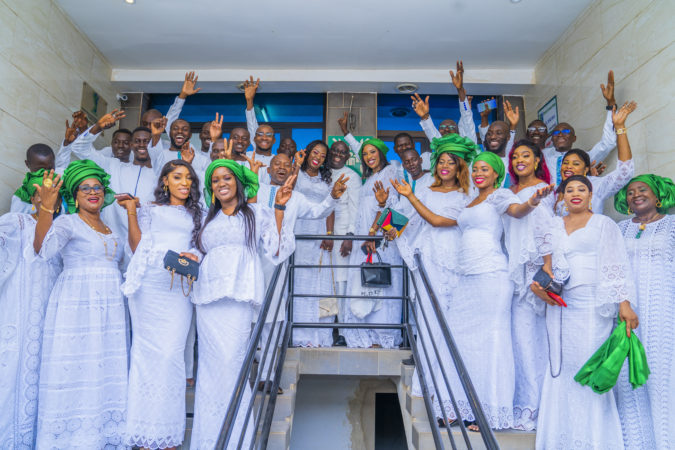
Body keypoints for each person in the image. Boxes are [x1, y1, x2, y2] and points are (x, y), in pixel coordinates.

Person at [189, 159, 295, 448]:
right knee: (209, 368)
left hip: (238, 296)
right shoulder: (207, 218)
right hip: (207, 299)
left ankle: (236, 440)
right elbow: (199, 251)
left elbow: (277, 249)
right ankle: (207, 441)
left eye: (226, 178)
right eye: (215, 180)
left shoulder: (255, 213)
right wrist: (188, 257)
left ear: (237, 182)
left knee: (231, 363)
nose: (221, 183)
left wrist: (279, 208)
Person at [530, 175, 639, 449]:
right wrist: (539, 287)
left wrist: (624, 303)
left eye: (582, 189)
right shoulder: (553, 225)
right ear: (562, 197)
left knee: (587, 365)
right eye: (569, 190)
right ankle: (560, 438)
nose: (575, 193)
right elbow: (543, 261)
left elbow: (616, 262)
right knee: (561, 367)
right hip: (560, 305)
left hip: (592, 306)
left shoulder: (603, 224)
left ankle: (592, 440)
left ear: (591, 195)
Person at [450, 152, 552, 431]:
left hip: (491, 275)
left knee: (491, 343)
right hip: (465, 277)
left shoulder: (500, 195)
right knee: (462, 341)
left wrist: (532, 202)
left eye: (485, 169)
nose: (478, 173)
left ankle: (488, 411)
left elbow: (517, 212)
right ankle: (460, 406)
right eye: (475, 169)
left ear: (497, 173)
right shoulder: (470, 199)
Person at [34, 160, 128, 448]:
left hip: (111, 311)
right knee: (77, 368)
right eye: (85, 188)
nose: (93, 192)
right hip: (77, 307)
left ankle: (102, 437)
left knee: (104, 369)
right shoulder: (68, 222)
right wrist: (47, 208)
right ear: (75, 196)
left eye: (97, 187)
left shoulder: (111, 229)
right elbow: (43, 249)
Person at [390, 133, 476, 425]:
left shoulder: (466, 196)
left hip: (453, 261)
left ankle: (451, 388)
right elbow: (410, 218)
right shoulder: (426, 190)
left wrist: (411, 196)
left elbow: (438, 221)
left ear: (460, 166)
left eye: (451, 162)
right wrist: (391, 230)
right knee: (428, 321)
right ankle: (428, 383)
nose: (444, 166)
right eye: (441, 162)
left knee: (450, 323)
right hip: (428, 259)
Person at [117, 159, 203, 449]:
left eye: (188, 178)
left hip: (178, 286)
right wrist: (132, 212)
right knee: (145, 354)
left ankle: (167, 433)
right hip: (149, 285)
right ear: (165, 180)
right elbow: (136, 246)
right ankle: (143, 433)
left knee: (170, 354)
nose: (184, 182)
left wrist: (194, 254)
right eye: (177, 177)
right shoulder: (150, 209)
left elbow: (201, 246)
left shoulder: (199, 213)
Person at [0, 170, 63, 448]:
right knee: (12, 376)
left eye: (54, 192)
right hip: (18, 315)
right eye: (42, 191)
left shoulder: (64, 230)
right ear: (32, 197)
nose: (48, 196)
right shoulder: (16, 221)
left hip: (50, 319)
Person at [613, 174, 675, 449]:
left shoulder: (672, 226)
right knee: (629, 375)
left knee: (662, 373)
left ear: (658, 196)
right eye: (630, 192)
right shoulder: (619, 229)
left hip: (664, 309)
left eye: (642, 189)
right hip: (626, 309)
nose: (635, 194)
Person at [503, 140, 553, 430]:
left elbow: (549, 231)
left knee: (533, 340)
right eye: (515, 156)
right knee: (517, 342)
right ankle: (520, 402)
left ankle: (534, 409)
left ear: (536, 161)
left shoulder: (546, 189)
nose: (520, 160)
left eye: (526, 155)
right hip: (511, 271)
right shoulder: (507, 192)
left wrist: (546, 270)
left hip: (535, 273)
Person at [343, 139, 403, 349]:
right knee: (366, 281)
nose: (369, 157)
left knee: (380, 282)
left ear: (381, 153)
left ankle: (381, 335)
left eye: (373, 152)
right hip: (366, 234)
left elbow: (387, 206)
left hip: (378, 236)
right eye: (365, 154)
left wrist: (373, 234)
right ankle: (365, 333)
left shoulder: (389, 171)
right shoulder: (370, 177)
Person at [292, 140, 350, 347]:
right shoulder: (296, 173)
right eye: (315, 152)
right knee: (299, 281)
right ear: (307, 153)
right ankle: (299, 334)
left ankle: (320, 335)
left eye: (323, 155)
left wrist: (329, 234)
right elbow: (286, 191)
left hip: (319, 234)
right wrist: (296, 166)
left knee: (321, 283)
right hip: (298, 231)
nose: (318, 157)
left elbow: (330, 208)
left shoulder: (327, 180)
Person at [71, 110, 160, 243]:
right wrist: (98, 127)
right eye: (137, 141)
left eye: (147, 141)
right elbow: (78, 148)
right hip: (111, 242)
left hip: (144, 245)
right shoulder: (113, 165)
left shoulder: (160, 175)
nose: (142, 145)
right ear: (131, 145)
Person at [547, 101, 636, 215]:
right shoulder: (556, 193)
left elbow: (625, 172)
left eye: (576, 164)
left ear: (586, 169)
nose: (568, 167)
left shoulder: (595, 185)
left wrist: (620, 127)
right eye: (565, 163)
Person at [10, 113, 83, 214]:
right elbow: (15, 219)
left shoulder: (57, 177)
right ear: (27, 164)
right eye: (41, 169)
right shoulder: (23, 195)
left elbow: (62, 163)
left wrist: (67, 143)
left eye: (50, 168)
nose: (46, 173)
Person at [411, 61, 479, 145]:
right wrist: (425, 116)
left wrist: (460, 89)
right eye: (442, 127)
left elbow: (466, 116)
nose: (446, 129)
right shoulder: (439, 146)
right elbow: (431, 133)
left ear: (458, 131)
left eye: (451, 127)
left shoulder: (468, 142)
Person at [243, 76, 275, 169]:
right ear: (254, 138)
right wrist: (249, 101)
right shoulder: (245, 158)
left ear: (274, 140)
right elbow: (252, 124)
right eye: (260, 134)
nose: (264, 138)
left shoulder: (277, 161)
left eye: (268, 135)